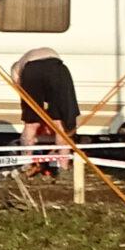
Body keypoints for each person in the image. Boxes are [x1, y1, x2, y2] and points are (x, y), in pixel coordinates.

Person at [12, 47, 79, 179]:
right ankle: (63, 168)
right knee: (60, 123)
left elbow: (21, 90)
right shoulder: (39, 53)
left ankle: (26, 165)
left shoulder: (17, 68)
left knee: (31, 124)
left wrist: (33, 114)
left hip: (32, 71)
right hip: (57, 69)